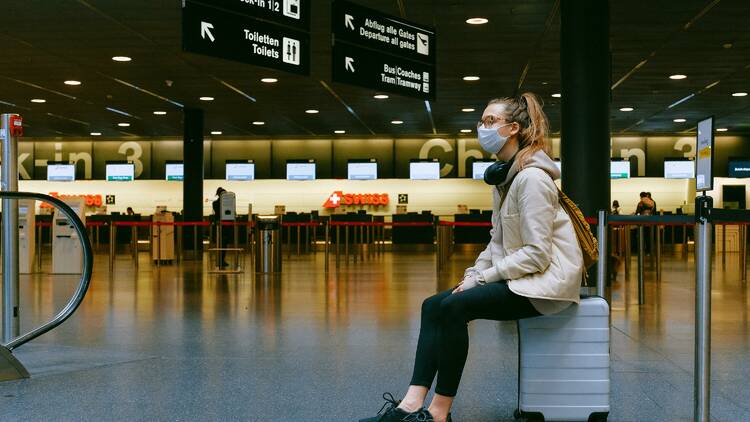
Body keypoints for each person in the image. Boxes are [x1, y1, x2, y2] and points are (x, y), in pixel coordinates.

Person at [359, 93, 584, 422]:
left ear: (513, 129)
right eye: (482, 121)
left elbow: (537, 254)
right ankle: (409, 404)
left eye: (490, 121)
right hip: (520, 278)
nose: (482, 127)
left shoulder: (532, 180)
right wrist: (473, 273)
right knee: (432, 305)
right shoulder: (505, 180)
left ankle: (438, 413)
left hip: (544, 285)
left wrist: (483, 279)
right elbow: (497, 242)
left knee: (454, 307)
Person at [212, 187, 231, 267]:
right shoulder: (221, 203)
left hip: (220, 225)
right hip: (223, 226)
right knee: (223, 243)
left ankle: (221, 260)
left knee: (221, 243)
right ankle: (221, 260)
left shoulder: (215, 203)